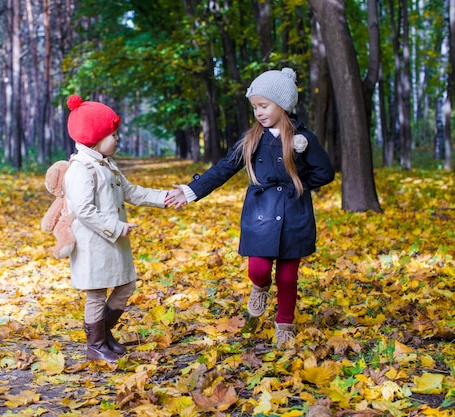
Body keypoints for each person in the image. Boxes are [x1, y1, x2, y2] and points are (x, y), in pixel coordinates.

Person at [165, 68, 335, 348]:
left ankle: (284, 323)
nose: (258, 112)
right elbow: (224, 168)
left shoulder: (304, 139)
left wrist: (297, 181)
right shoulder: (252, 138)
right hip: (261, 215)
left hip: (294, 214)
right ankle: (260, 287)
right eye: (255, 106)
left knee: (288, 275)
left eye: (264, 105)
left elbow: (325, 172)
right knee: (258, 268)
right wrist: (191, 191)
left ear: (282, 105)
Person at [63, 94, 169, 362]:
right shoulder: (81, 169)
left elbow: (130, 191)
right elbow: (85, 210)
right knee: (97, 294)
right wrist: (115, 227)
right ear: (95, 138)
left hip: (113, 240)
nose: (117, 139)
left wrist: (163, 198)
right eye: (113, 134)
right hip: (94, 242)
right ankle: (96, 345)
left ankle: (104, 334)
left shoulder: (106, 163)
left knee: (126, 284)